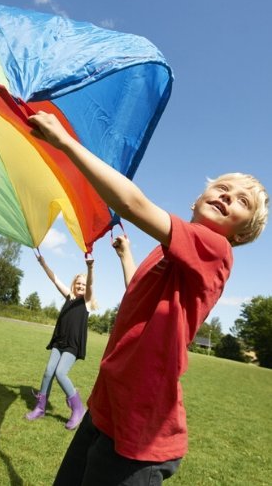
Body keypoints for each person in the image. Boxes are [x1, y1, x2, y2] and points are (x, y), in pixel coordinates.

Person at [28, 110, 269, 485]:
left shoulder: (216, 248)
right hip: (108, 405)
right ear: (197, 199)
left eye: (242, 202)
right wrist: (127, 257)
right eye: (223, 187)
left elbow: (132, 205)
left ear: (239, 234)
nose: (227, 197)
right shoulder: (168, 252)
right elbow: (138, 300)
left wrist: (65, 144)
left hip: (140, 429)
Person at [25, 253, 98, 430]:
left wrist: (90, 268)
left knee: (60, 373)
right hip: (59, 341)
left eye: (83, 283)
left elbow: (90, 285)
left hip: (73, 345)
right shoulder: (69, 297)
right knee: (49, 371)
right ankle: (40, 408)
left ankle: (78, 408)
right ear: (74, 284)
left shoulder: (86, 301)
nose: (80, 286)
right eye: (78, 283)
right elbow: (55, 279)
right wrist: (43, 264)